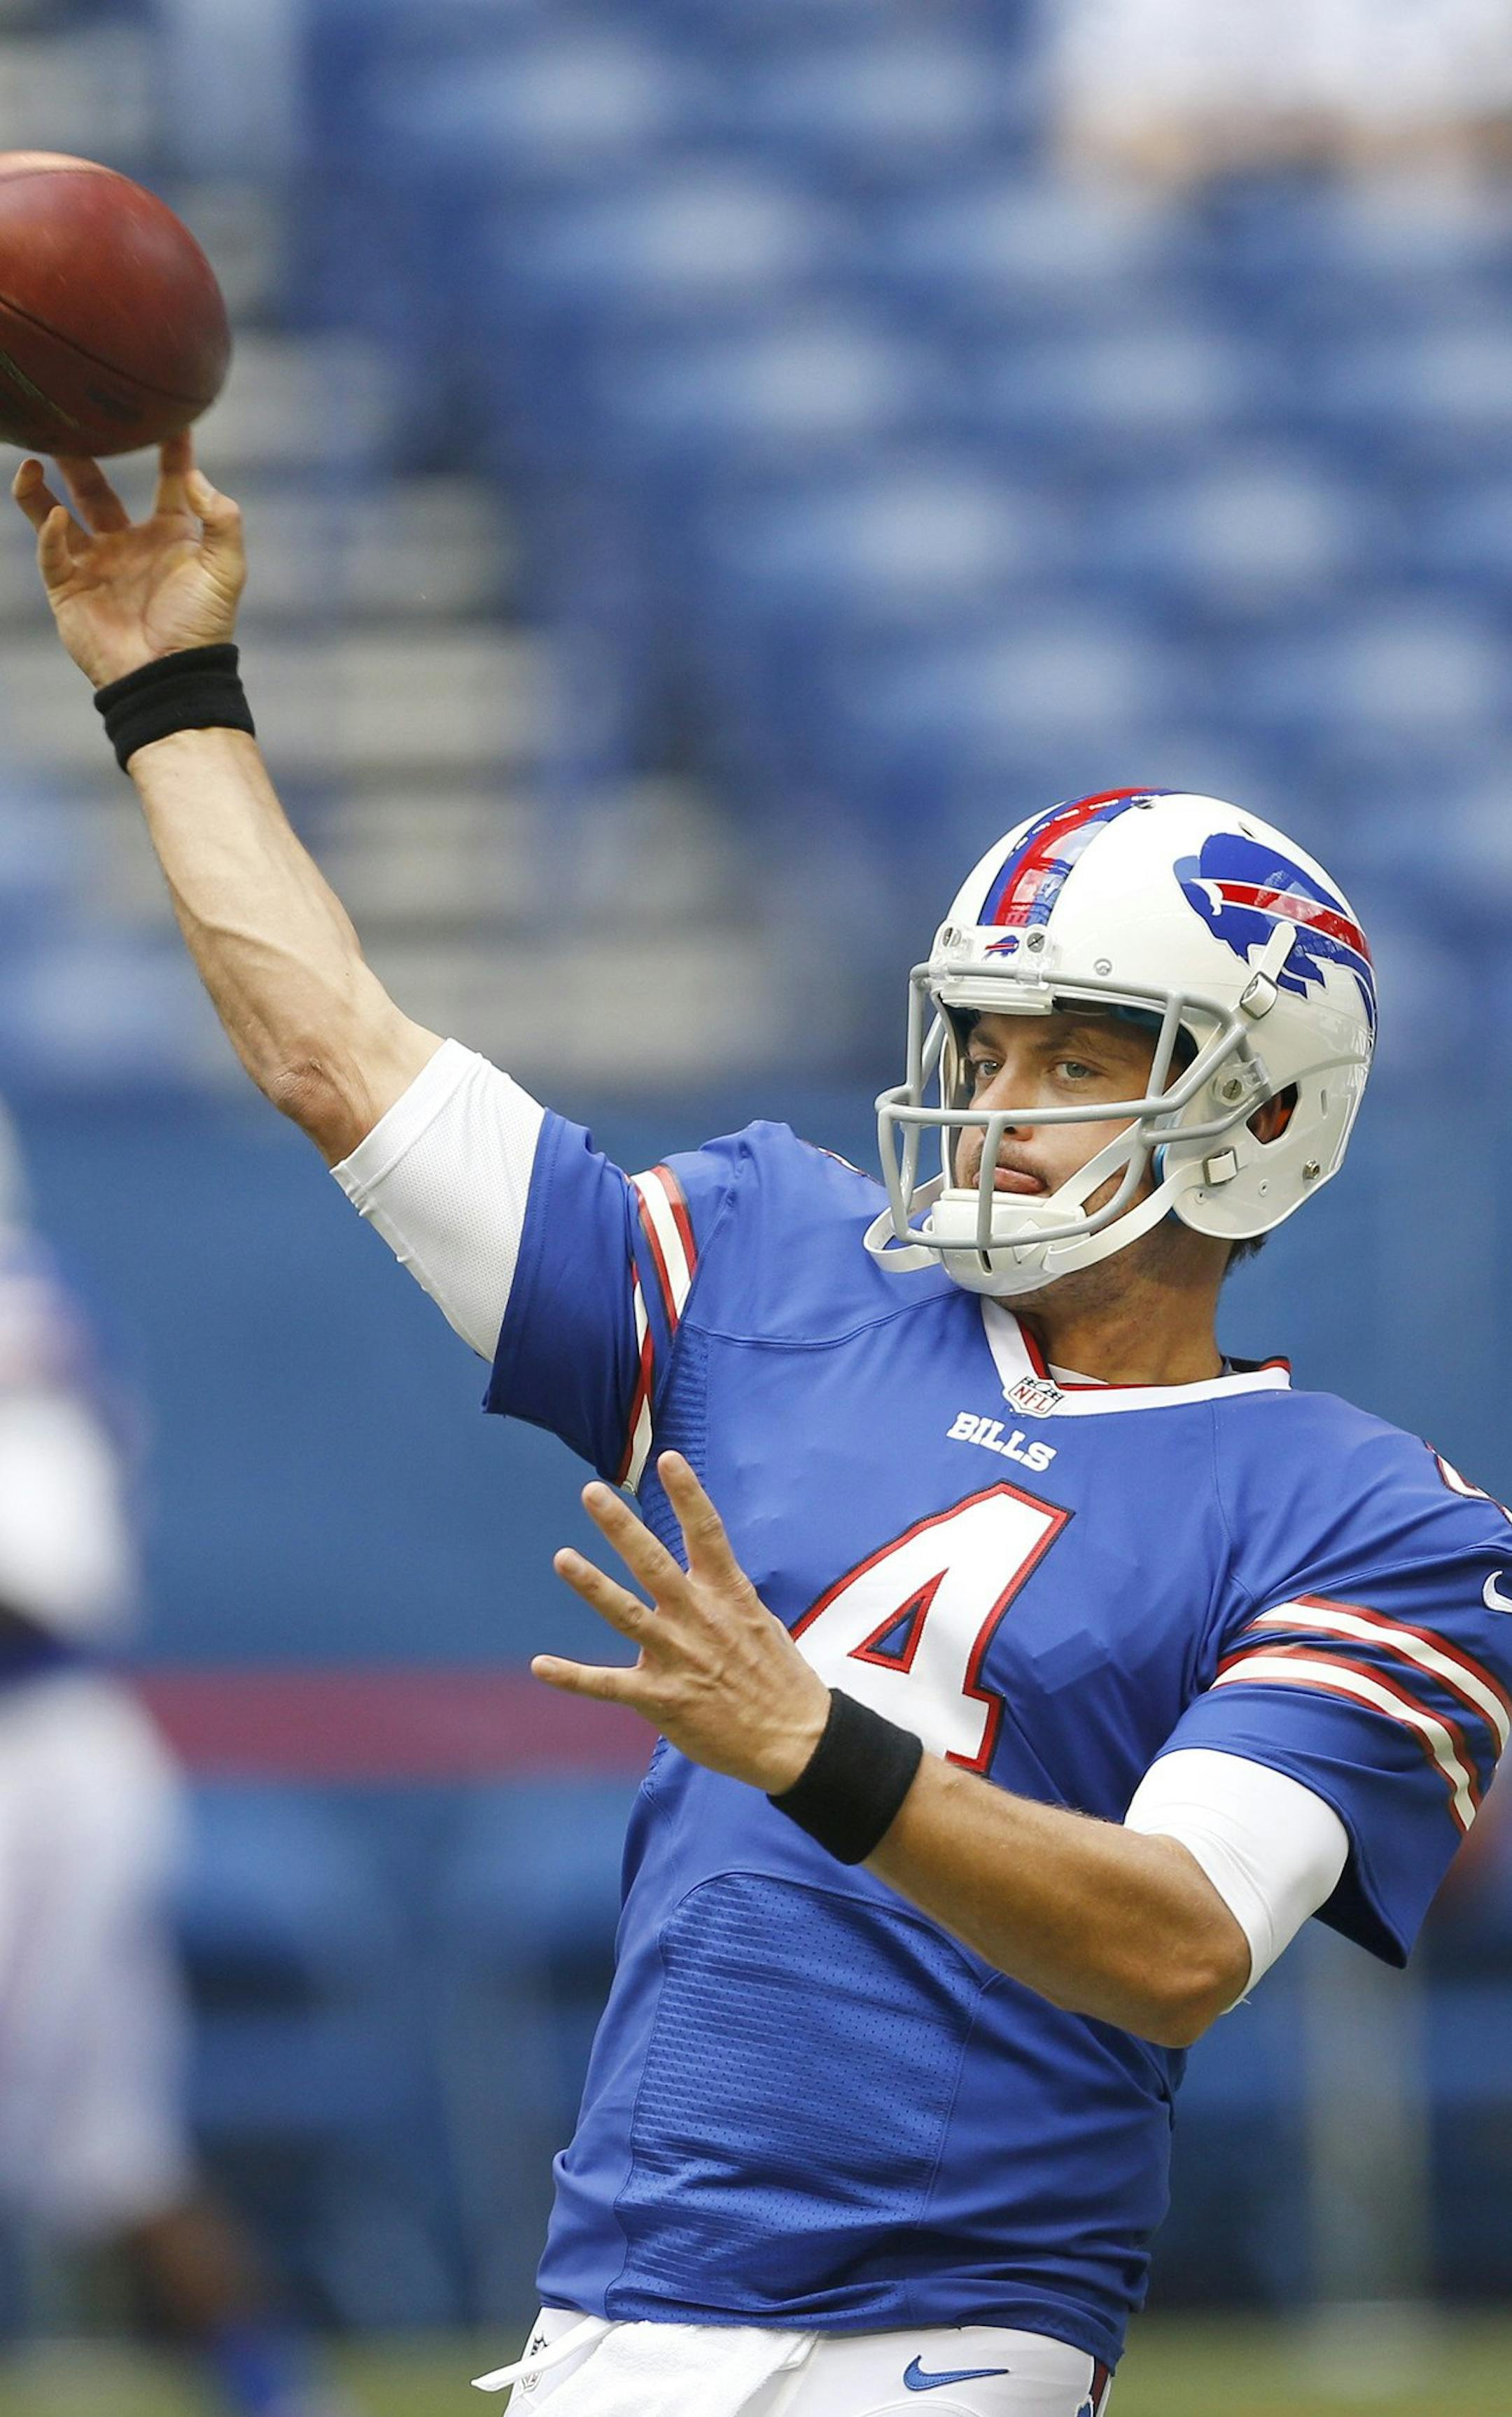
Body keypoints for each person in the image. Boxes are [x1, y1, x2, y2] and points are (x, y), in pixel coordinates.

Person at [13, 438, 1511, 2417]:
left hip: (953, 2337)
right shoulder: (777, 1267)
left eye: (1073, 1055)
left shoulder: (1368, 1520)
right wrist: (162, 689)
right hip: (621, 2304)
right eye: (985, 1039)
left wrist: (817, 1743)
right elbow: (338, 1055)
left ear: (1257, 1114)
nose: (997, 1099)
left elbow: (1178, 1940)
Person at [0, 1097, 352, 2417]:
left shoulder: (18, 1310)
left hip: (33, 1760)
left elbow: (47, 1577)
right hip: (54, 1761)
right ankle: (279, 2388)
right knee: (113, 2155)